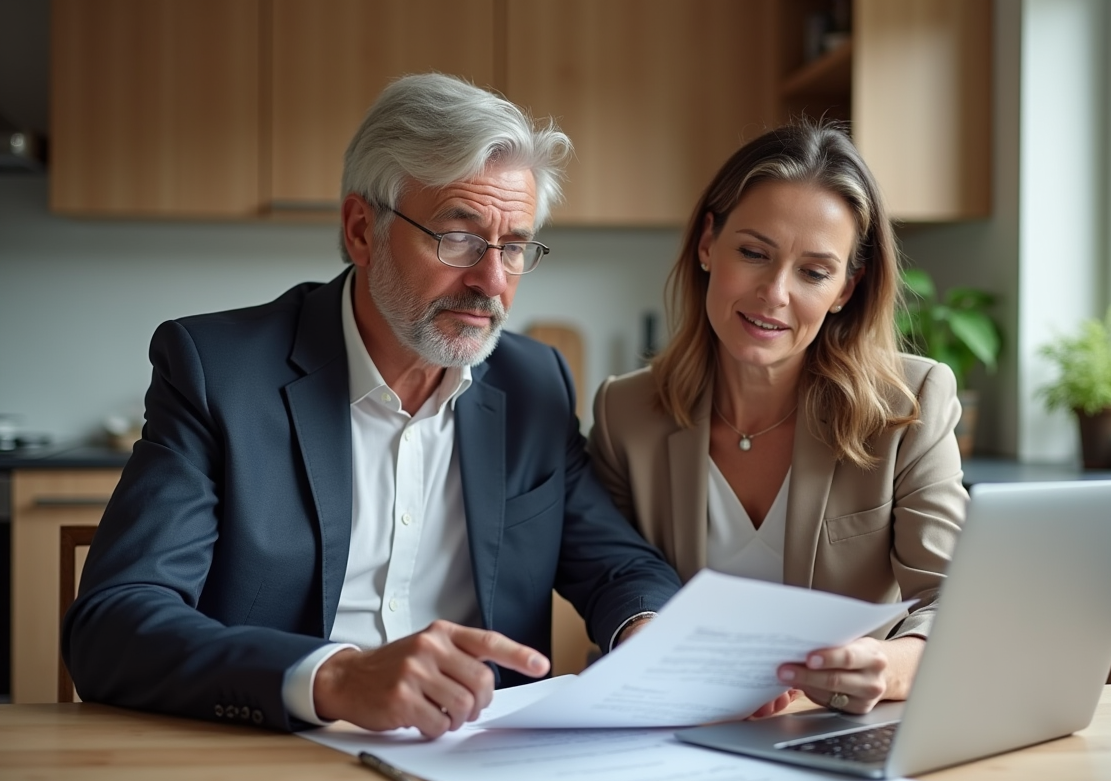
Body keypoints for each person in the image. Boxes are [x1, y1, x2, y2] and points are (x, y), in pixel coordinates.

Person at [63, 73, 681, 737]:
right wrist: (332, 677)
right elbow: (114, 623)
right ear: (362, 230)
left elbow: (620, 566)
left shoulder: (534, 384)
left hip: (478, 763)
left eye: (514, 246)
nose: (492, 281)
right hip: (277, 752)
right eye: (459, 237)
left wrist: (646, 631)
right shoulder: (218, 371)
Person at [588, 120, 968, 717]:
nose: (774, 293)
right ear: (708, 244)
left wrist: (887, 666)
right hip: (684, 727)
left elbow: (955, 602)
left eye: (814, 272)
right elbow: (614, 583)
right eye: (754, 253)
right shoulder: (624, 413)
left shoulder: (911, 403)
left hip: (838, 730)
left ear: (846, 288)